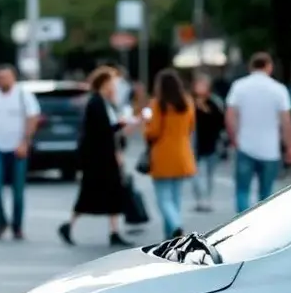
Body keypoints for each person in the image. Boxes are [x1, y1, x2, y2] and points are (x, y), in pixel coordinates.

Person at [59, 66, 129, 247]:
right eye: (112, 82)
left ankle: (114, 231)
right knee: (89, 194)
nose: (114, 86)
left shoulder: (105, 102)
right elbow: (101, 132)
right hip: (98, 159)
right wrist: (119, 126)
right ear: (104, 83)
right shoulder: (96, 103)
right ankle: (69, 225)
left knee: (112, 193)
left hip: (104, 157)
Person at [225, 52, 291, 213]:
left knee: (242, 191)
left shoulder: (239, 86)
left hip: (245, 145)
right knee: (266, 194)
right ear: (269, 67)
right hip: (270, 150)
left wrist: (234, 137)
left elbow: (230, 115)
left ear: (251, 67)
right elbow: (286, 121)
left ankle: (241, 226)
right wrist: (290, 146)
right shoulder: (279, 89)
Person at [0, 63, 40, 240]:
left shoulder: (23, 95)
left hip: (17, 148)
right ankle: (1, 221)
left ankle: (17, 226)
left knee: (18, 190)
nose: (2, 81)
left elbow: (32, 118)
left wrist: (25, 142)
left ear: (13, 78)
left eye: (5, 77)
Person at [143, 68, 196, 239]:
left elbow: (153, 132)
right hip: (182, 154)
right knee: (175, 199)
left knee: (163, 199)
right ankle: (171, 237)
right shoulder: (187, 102)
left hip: (163, 156)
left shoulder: (158, 104)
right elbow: (191, 127)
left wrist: (146, 126)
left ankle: (176, 227)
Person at [191, 73, 224, 212]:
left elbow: (220, 120)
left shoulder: (215, 101)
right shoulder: (190, 102)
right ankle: (200, 199)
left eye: (202, 84)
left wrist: (204, 108)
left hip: (212, 142)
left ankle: (208, 199)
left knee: (210, 174)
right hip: (195, 143)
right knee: (194, 174)